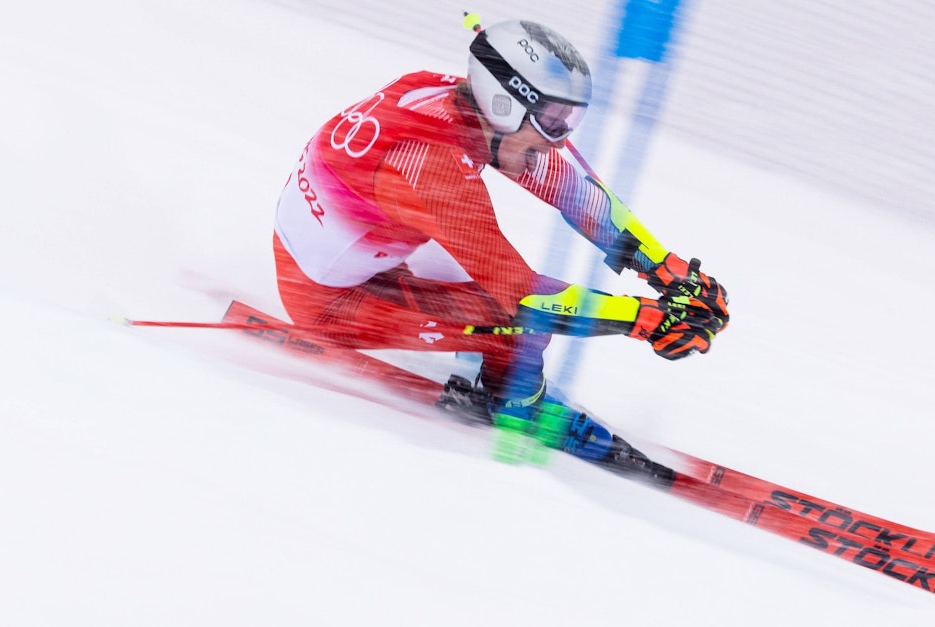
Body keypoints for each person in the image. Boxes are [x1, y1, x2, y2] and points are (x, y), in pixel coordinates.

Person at [269, 17, 728, 479]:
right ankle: (514, 402)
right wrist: (646, 320)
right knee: (518, 320)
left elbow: (572, 191)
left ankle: (483, 364)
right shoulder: (430, 168)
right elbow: (525, 296)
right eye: (553, 119)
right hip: (328, 302)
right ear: (503, 103)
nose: (562, 137)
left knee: (504, 290)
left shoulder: (454, 103)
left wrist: (668, 270)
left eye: (570, 119)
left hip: (374, 251)